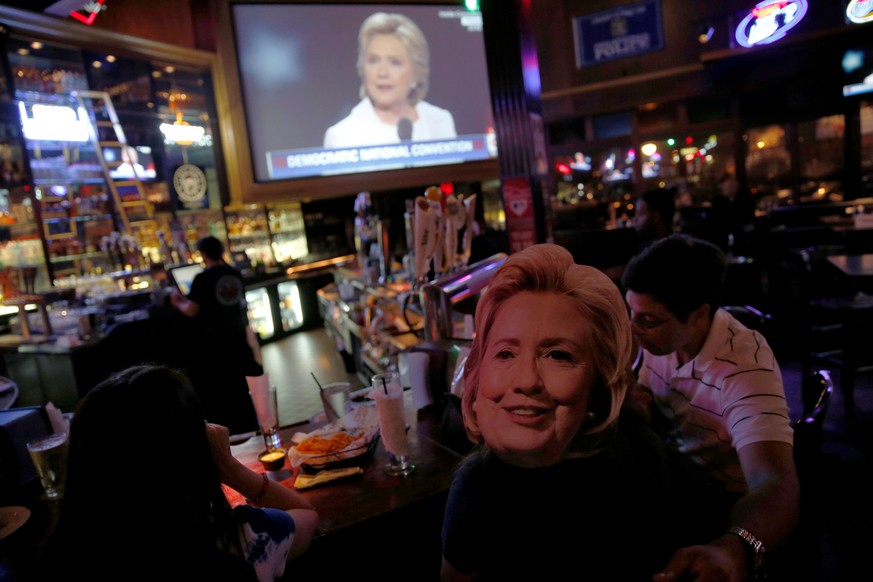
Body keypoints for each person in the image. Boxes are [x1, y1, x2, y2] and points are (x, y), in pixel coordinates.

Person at [441, 244, 672, 581]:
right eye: (505, 354)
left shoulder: (639, 457)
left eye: (558, 355)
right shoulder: (476, 488)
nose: (526, 381)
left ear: (598, 382)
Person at [621, 234, 799, 582]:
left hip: (717, 502)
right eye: (632, 313)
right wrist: (634, 396)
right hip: (675, 473)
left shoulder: (743, 367)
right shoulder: (663, 341)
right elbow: (646, 390)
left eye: (647, 320)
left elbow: (776, 483)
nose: (633, 329)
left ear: (700, 314)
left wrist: (733, 551)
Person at [37, 365, 318, 581]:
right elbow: (306, 514)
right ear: (192, 453)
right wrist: (229, 468)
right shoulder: (240, 540)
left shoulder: (58, 557)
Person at [323, 12, 457, 149]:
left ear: (416, 71)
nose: (382, 73)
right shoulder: (341, 136)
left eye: (395, 63)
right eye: (373, 61)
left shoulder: (440, 121)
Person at [170, 235, 261, 435]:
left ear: (203, 255)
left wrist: (177, 302)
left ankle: (231, 430)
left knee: (223, 389)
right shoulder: (234, 273)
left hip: (215, 343)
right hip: (238, 337)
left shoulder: (202, 278)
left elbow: (192, 310)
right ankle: (250, 426)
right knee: (241, 387)